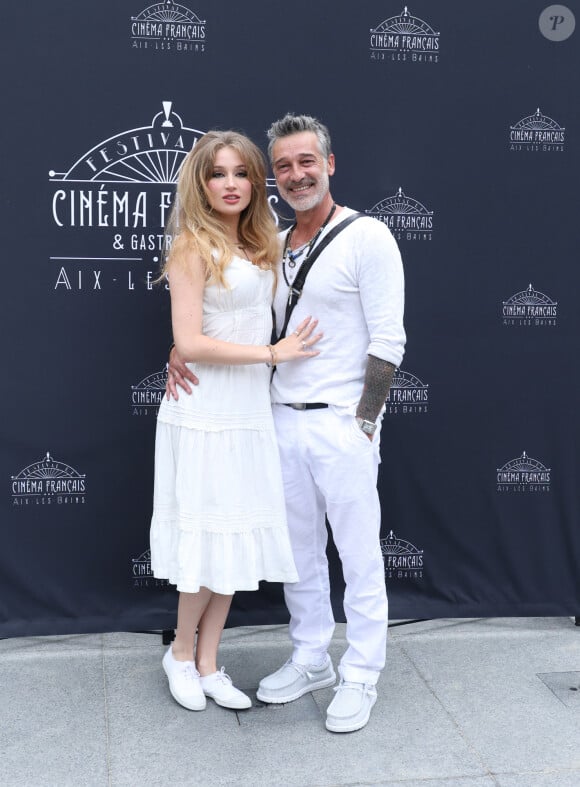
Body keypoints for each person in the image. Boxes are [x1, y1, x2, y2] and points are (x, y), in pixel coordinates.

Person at [167, 114, 405, 732]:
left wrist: (365, 424)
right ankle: (310, 658)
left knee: (358, 555)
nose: (296, 174)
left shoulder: (368, 236)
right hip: (273, 419)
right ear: (273, 177)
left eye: (307, 162)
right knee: (299, 555)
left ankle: (360, 673)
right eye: (284, 166)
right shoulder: (273, 243)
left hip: (342, 424)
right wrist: (179, 348)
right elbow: (229, 320)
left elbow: (388, 340)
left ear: (329, 164)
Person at [151, 130, 322, 714]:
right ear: (201, 183)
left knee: (236, 535)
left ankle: (207, 661)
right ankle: (178, 653)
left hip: (250, 410)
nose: (231, 184)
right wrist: (270, 355)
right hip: (203, 410)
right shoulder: (191, 247)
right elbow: (191, 341)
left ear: (256, 182)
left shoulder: (264, 245)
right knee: (206, 538)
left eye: (242, 173)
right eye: (218, 173)